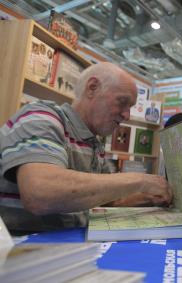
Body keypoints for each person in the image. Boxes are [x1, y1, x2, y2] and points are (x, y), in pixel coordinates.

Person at [0, 62, 172, 234]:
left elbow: (107, 201)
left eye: (130, 107)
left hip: (65, 247)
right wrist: (140, 181)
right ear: (92, 88)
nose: (126, 115)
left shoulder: (93, 144)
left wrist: (151, 198)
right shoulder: (41, 117)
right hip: (20, 250)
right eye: (122, 102)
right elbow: (39, 193)